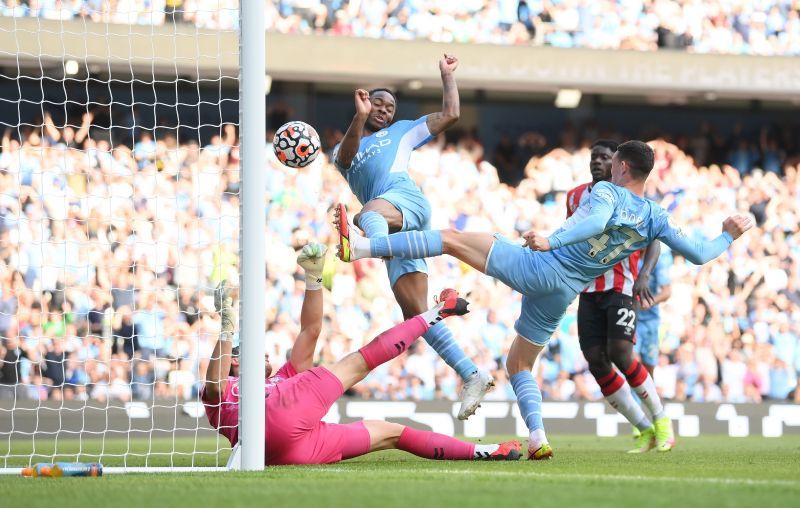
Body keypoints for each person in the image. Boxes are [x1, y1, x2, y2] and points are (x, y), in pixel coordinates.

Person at [334, 140, 753, 459]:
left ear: (622, 166)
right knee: (519, 364)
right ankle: (538, 437)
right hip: (564, 293)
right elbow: (699, 253)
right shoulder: (655, 216)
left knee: (450, 239)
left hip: (544, 267)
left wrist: (551, 240)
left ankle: (363, 247)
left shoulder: (607, 192)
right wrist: (727, 235)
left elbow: (596, 219)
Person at [201, 243, 521, 465]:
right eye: (253, 351)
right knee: (361, 360)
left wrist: (313, 278)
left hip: (284, 452)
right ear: (235, 361)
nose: (266, 355)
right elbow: (215, 382)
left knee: (392, 433)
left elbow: (310, 331)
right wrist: (226, 328)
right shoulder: (226, 387)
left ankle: (487, 452)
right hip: (274, 416)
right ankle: (438, 312)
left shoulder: (284, 376)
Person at [332, 53, 492, 420]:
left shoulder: (402, 130)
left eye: (390, 106)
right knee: (416, 315)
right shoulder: (345, 146)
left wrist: (447, 76)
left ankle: (362, 248)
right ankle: (472, 374)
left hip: (405, 204)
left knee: (365, 214)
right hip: (392, 228)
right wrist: (358, 117)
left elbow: (450, 115)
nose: (385, 110)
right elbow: (346, 157)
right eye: (378, 103)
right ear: (365, 103)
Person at [567, 140, 673, 453]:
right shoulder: (574, 196)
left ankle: (662, 421)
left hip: (621, 286)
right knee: (596, 361)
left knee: (621, 353)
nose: (597, 162)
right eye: (593, 157)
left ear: (616, 163)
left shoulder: (631, 198)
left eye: (604, 157)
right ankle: (643, 429)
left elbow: (656, 238)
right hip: (587, 289)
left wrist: (644, 275)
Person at [634, 248, 673, 377]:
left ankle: (648, 394)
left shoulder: (658, 262)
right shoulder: (627, 258)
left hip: (650, 320)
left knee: (648, 364)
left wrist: (649, 302)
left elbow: (666, 292)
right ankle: (631, 395)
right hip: (630, 317)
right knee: (630, 359)